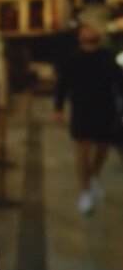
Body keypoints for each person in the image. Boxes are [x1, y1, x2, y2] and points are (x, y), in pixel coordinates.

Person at [54, 22, 123, 215]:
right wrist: (58, 108)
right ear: (80, 35)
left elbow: (119, 81)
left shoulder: (107, 56)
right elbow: (61, 84)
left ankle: (94, 175)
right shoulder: (72, 58)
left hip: (106, 108)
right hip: (82, 109)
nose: (90, 31)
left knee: (103, 147)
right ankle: (85, 191)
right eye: (86, 29)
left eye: (93, 29)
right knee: (83, 148)